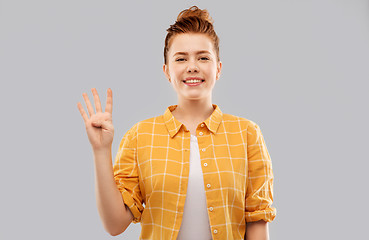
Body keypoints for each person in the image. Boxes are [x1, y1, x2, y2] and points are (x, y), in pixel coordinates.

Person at [77, 5, 276, 240]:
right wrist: (101, 150)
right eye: (181, 59)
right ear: (167, 71)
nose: (192, 66)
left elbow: (257, 223)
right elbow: (114, 225)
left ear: (218, 68)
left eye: (203, 57)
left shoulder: (247, 134)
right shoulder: (140, 136)